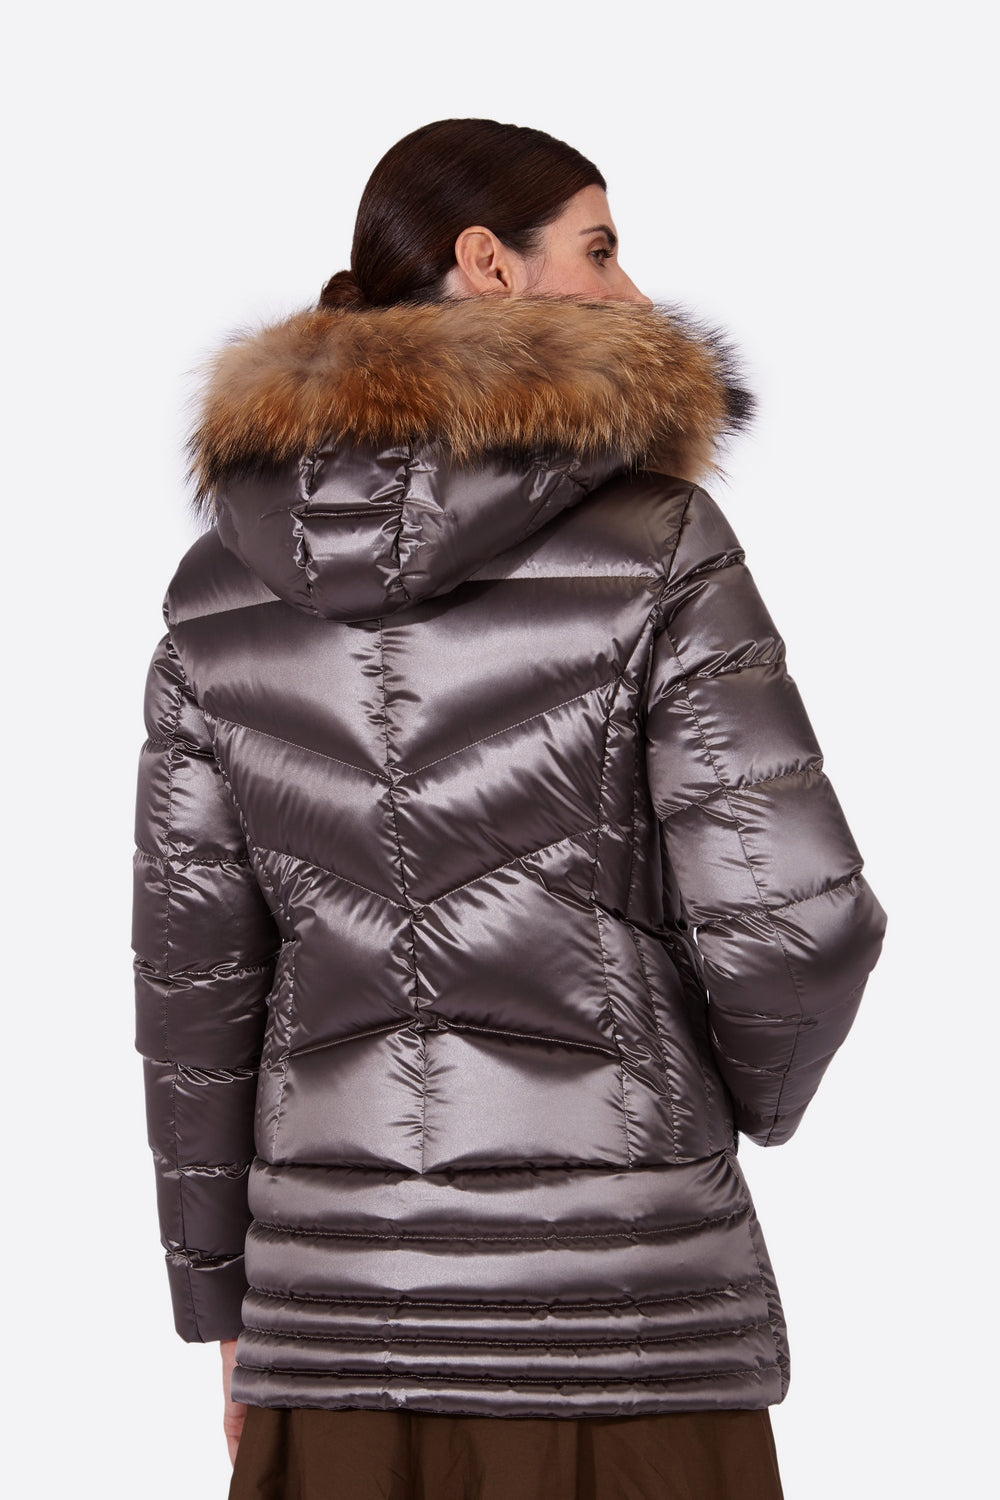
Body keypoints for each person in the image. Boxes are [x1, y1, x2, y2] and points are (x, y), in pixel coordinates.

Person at [132, 118, 887, 1500]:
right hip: (625, 1321)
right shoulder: (661, 544)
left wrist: (222, 1307)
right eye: (600, 247)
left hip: (334, 1327)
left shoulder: (216, 593)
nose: (633, 291)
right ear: (488, 262)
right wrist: (712, 1104)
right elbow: (798, 925)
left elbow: (195, 991)